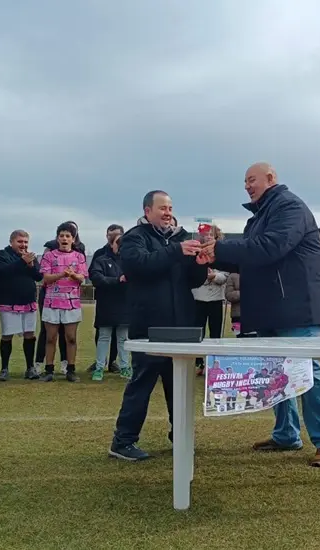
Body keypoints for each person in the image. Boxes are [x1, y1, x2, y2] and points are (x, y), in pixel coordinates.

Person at [199, 162, 320, 468]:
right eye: (244, 182)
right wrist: (214, 259)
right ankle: (286, 433)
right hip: (273, 307)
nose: (247, 186)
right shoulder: (261, 215)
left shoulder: (288, 206)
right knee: (276, 374)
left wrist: (219, 249)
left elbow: (270, 247)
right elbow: (254, 258)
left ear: (271, 179)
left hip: (297, 307)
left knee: (305, 372)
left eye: (252, 180)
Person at [108, 190, 208, 461]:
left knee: (180, 386)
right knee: (141, 384)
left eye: (171, 207)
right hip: (149, 326)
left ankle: (181, 436)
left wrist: (200, 264)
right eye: (162, 207)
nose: (168, 213)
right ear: (147, 210)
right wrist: (176, 251)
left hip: (181, 326)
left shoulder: (183, 237)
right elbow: (139, 266)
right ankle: (123, 441)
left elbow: (194, 281)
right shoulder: (134, 237)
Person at [38, 222, 88, 382]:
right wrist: (61, 275)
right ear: (57, 238)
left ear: (73, 239)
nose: (64, 239)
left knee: (71, 338)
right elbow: (45, 278)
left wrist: (73, 275)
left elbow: (82, 278)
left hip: (71, 303)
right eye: (62, 236)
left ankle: (71, 370)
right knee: (50, 338)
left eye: (68, 236)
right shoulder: (49, 256)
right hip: (51, 302)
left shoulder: (79, 257)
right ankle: (49, 369)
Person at [0, 229, 43, 381]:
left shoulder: (31, 257)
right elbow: (2, 272)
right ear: (11, 242)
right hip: (8, 302)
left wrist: (31, 265)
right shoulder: (2, 255)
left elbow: (38, 276)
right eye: (20, 241)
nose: (23, 245)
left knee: (30, 334)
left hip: (28, 301)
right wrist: (22, 262)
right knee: (7, 335)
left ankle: (30, 368)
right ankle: (4, 368)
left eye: (26, 242)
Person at [89, 231, 131, 380]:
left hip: (125, 305)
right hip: (106, 305)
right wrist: (117, 280)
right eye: (117, 243)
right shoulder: (101, 260)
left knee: (123, 338)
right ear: (111, 244)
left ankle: (125, 367)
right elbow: (96, 278)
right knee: (104, 337)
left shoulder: (130, 261)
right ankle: (99, 367)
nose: (120, 247)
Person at [192, 225, 227, 375]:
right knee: (197, 333)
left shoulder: (223, 253)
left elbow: (225, 275)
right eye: (205, 235)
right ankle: (198, 363)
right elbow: (192, 274)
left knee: (215, 333)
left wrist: (214, 276)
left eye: (211, 235)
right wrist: (202, 275)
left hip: (215, 300)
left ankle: (212, 364)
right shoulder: (195, 252)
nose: (208, 237)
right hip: (198, 299)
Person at [224, 272, 255, 337]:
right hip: (237, 315)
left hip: (255, 316)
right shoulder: (232, 276)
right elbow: (228, 295)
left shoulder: (257, 273)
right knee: (240, 342)